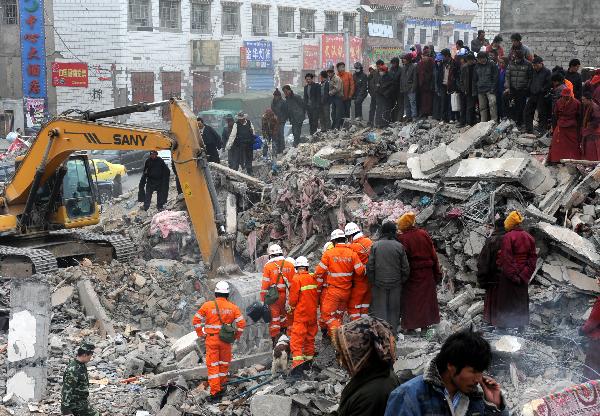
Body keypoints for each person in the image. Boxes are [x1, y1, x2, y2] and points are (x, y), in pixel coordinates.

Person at [385, 329, 509, 416]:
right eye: (473, 371)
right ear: (451, 366)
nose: (478, 379)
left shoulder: (477, 397)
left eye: (481, 372)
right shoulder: (408, 396)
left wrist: (494, 406)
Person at [334, 317, 400, 416]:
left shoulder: (372, 394)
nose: (340, 360)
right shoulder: (374, 375)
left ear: (359, 353)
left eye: (343, 352)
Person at [192, 281, 246, 402]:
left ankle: (215, 392)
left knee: (213, 367)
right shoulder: (233, 307)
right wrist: (236, 336)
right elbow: (242, 323)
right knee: (223, 365)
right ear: (227, 294)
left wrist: (201, 334)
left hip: (211, 340)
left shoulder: (207, 305)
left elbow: (196, 321)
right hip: (226, 340)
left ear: (216, 293)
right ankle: (221, 387)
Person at [396, 212, 441, 333]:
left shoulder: (402, 238)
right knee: (426, 300)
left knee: (410, 301)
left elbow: (402, 260)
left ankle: (410, 327)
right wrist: (437, 273)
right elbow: (433, 254)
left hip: (411, 274)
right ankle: (425, 327)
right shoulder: (423, 234)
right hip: (427, 272)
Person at [314, 229, 364, 338]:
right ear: (344, 239)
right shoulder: (352, 253)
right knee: (338, 316)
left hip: (333, 291)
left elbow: (318, 272)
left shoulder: (329, 254)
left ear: (333, 241)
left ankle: (339, 336)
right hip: (347, 292)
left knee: (327, 315)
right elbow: (360, 271)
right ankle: (338, 341)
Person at [366, 222, 410, 334]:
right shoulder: (399, 246)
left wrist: (373, 281)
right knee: (394, 311)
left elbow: (370, 266)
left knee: (380, 310)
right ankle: (392, 334)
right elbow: (405, 267)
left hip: (379, 284)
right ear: (392, 232)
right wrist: (402, 281)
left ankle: (382, 334)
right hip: (396, 284)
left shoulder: (375, 246)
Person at [497, 211, 537, 330]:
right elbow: (532, 259)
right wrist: (524, 274)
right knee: (521, 299)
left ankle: (503, 326)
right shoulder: (529, 237)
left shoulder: (508, 237)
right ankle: (521, 326)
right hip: (523, 274)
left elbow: (507, 258)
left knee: (506, 299)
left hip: (509, 275)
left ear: (510, 224)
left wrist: (513, 275)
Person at [288, 256, 318, 375]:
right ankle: (309, 363)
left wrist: (291, 308)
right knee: (309, 339)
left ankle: (298, 367)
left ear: (297, 268)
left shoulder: (296, 279)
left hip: (301, 315)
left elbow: (293, 299)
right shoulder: (312, 277)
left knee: (297, 341)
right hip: (312, 315)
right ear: (306, 267)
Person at [261, 244, 295, 344]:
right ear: (281, 253)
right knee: (286, 317)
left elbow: (264, 286)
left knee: (274, 319)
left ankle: (276, 342)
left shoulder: (268, 266)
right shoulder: (290, 265)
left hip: (274, 297)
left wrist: (263, 300)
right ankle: (286, 339)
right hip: (287, 296)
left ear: (270, 255)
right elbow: (294, 283)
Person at [476, 218, 505, 327]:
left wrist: (482, 279)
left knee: (492, 303)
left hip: (492, 279)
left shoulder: (491, 240)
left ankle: (491, 323)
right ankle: (504, 324)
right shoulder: (510, 239)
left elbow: (483, 262)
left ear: (496, 228)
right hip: (507, 279)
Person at [345, 222, 373, 321]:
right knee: (365, 303)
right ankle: (365, 323)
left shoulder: (352, 247)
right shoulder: (369, 241)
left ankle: (356, 325)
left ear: (350, 235)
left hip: (359, 279)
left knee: (354, 306)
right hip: (370, 277)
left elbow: (349, 265)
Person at [61, 342, 98, 416]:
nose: (90, 358)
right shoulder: (73, 370)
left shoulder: (81, 365)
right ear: (84, 355)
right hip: (76, 406)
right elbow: (66, 390)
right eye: (90, 356)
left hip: (82, 403)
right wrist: (66, 410)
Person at [548, 88, 581, 163]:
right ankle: (556, 159)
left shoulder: (576, 103)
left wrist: (579, 127)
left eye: (567, 96)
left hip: (572, 126)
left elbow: (579, 116)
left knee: (573, 144)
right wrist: (554, 126)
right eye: (564, 96)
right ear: (562, 95)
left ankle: (574, 159)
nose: (566, 97)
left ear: (570, 96)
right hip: (561, 126)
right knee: (556, 143)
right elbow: (555, 115)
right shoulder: (558, 102)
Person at [504, 50, 533, 127]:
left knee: (521, 106)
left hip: (522, 89)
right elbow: (507, 76)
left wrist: (527, 88)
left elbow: (530, 78)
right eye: (515, 57)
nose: (516, 59)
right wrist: (507, 87)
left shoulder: (528, 64)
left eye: (518, 58)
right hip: (513, 88)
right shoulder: (511, 63)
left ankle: (520, 122)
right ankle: (512, 120)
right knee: (511, 104)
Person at [524, 56, 552, 135]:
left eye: (536, 65)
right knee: (528, 111)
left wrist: (542, 90)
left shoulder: (547, 72)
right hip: (533, 94)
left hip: (541, 96)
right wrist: (529, 89)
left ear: (541, 64)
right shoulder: (533, 71)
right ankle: (529, 129)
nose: (534, 67)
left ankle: (541, 129)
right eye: (533, 65)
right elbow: (530, 80)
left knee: (542, 113)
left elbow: (548, 84)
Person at [579, 278, 600, 381]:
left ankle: (588, 391)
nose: (597, 282)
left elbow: (592, 322)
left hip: (598, 341)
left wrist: (582, 330)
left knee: (591, 369)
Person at [474, 51, 499, 123]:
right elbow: (475, 79)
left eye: (481, 58)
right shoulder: (477, 66)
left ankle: (494, 122)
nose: (480, 60)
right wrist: (476, 89)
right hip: (480, 89)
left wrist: (493, 88)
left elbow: (495, 77)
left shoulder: (492, 64)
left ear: (485, 58)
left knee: (493, 104)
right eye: (479, 59)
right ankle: (483, 123)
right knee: (482, 107)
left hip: (490, 89)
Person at [458, 52, 476, 127]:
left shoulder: (476, 67)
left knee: (470, 107)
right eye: (469, 60)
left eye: (471, 60)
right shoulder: (464, 67)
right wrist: (462, 89)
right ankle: (462, 122)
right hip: (464, 90)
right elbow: (461, 79)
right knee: (463, 107)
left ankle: (469, 123)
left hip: (473, 90)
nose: (470, 61)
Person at [582, 90, 600, 161]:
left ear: (588, 100)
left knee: (592, 147)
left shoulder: (595, 107)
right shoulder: (588, 105)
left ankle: (593, 161)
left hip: (594, 130)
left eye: (583, 100)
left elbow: (597, 119)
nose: (582, 101)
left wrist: (589, 127)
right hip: (590, 129)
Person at [399, 53, 418, 122]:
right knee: (406, 104)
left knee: (412, 103)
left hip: (411, 88)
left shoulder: (414, 67)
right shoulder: (403, 68)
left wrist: (413, 88)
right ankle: (408, 116)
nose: (403, 60)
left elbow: (415, 79)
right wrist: (401, 88)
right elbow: (401, 79)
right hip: (405, 89)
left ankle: (414, 117)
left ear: (408, 60)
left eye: (404, 59)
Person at [417, 46, 435, 118]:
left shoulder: (431, 61)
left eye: (426, 55)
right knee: (423, 99)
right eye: (424, 56)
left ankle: (428, 112)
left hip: (429, 83)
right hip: (422, 84)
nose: (425, 57)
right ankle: (424, 113)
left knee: (428, 99)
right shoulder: (420, 63)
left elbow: (432, 72)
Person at [440, 49, 456, 123]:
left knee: (451, 103)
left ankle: (451, 118)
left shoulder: (453, 63)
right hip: (443, 85)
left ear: (447, 56)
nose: (442, 57)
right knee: (443, 102)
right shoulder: (442, 63)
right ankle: (443, 118)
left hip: (451, 85)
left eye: (443, 56)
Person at [270, 89, 287, 154]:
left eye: (277, 96)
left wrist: (283, 119)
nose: (276, 97)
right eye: (275, 96)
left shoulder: (283, 102)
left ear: (279, 96)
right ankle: (276, 150)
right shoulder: (273, 102)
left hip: (281, 121)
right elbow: (272, 110)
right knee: (275, 136)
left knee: (281, 135)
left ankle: (282, 149)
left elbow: (286, 112)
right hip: (274, 121)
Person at [389, 57, 402, 122]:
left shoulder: (400, 70)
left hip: (399, 90)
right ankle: (392, 119)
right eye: (392, 63)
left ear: (397, 63)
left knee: (399, 105)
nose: (393, 65)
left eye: (394, 63)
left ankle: (398, 119)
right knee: (392, 105)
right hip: (392, 90)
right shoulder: (391, 70)